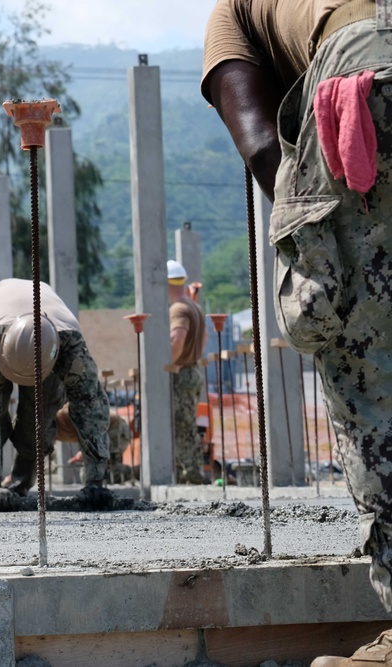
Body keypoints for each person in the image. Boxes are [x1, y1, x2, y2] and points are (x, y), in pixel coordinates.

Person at [202, 1, 392, 663]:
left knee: (366, 361)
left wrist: (321, 239)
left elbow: (259, 144)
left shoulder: (231, 10)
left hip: (366, 76)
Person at [0, 278, 113, 511]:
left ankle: (20, 481)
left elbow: (92, 410)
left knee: (38, 421)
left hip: (50, 334)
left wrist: (96, 482)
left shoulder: (70, 350)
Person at [167, 260, 208, 485]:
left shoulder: (179, 308)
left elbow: (177, 338)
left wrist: (167, 365)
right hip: (192, 371)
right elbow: (204, 338)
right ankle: (192, 470)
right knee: (188, 422)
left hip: (181, 374)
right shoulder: (194, 306)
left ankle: (192, 472)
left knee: (181, 424)